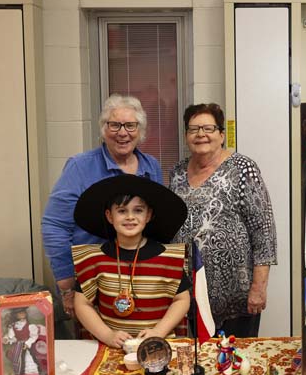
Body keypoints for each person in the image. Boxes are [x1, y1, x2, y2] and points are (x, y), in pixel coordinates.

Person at [42, 95, 162, 320]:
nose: (122, 132)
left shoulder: (151, 167)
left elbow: (155, 226)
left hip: (140, 279)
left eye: (130, 125)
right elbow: (54, 225)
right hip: (90, 281)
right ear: (104, 129)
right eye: (114, 125)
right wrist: (67, 284)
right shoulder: (80, 166)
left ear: (140, 130)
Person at [170, 103, 277, 338]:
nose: (201, 134)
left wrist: (259, 288)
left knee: (237, 365)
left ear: (221, 134)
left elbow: (263, 230)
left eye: (208, 128)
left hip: (237, 296)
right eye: (193, 129)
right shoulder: (177, 173)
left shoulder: (243, 168)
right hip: (193, 295)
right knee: (203, 362)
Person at [71, 174, 191, 349]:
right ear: (109, 216)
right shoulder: (92, 260)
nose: (130, 217)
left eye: (138, 210)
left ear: (148, 215)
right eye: (121, 211)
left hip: (159, 346)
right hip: (111, 349)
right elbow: (81, 303)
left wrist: (159, 331)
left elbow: (182, 300)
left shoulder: (168, 259)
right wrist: (107, 335)